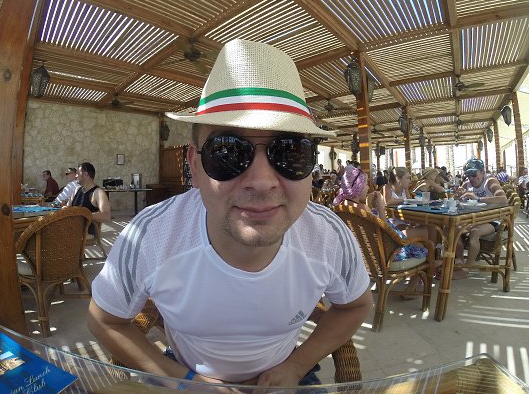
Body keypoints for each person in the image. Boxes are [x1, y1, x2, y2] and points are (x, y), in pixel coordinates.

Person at [88, 39, 372, 388]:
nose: (262, 182)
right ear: (194, 166)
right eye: (227, 152)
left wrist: (297, 366)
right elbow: (103, 319)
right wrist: (185, 382)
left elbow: (356, 305)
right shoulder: (149, 236)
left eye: (290, 151)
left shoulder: (328, 235)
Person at [333, 167, 430, 297]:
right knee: (424, 247)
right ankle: (410, 289)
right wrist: (380, 208)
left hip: (363, 257)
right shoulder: (363, 209)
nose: (368, 187)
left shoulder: (341, 206)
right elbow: (386, 232)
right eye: (365, 184)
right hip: (385, 256)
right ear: (358, 187)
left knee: (416, 240)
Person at [455, 158, 507, 275]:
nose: (471, 178)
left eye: (474, 174)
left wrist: (478, 198)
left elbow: (503, 199)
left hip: (493, 219)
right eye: (468, 175)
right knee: (453, 230)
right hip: (474, 219)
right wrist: (458, 196)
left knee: (475, 233)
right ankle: (461, 261)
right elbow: (458, 201)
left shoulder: (490, 181)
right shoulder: (466, 184)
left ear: (483, 172)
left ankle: (467, 268)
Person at [67, 162, 110, 235]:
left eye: (77, 173)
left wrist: (84, 215)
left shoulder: (98, 193)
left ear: (86, 174)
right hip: (71, 229)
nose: (76, 176)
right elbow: (67, 208)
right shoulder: (77, 190)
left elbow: (106, 216)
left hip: (86, 233)